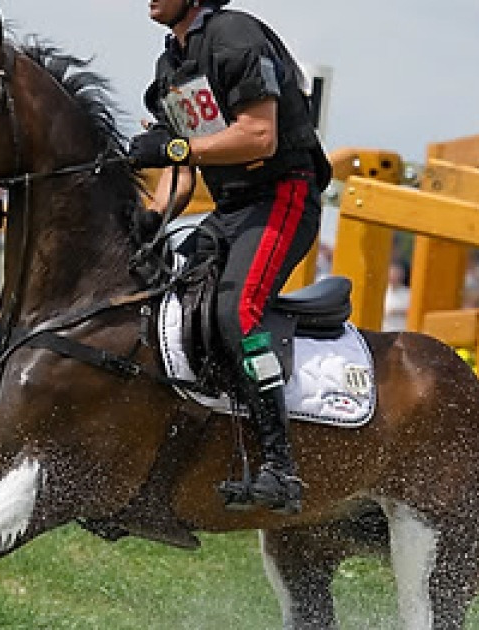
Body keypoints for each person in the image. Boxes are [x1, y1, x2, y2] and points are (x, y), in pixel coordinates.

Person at [131, 0, 331, 515]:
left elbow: (258, 134)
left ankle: (281, 467)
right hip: (230, 209)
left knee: (236, 312)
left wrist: (174, 150)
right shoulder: (170, 63)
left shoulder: (235, 34)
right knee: (167, 304)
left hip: (283, 197)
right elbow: (183, 170)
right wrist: (152, 219)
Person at [382, 258, 411, 332]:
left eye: (397, 274)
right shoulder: (383, 292)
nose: (394, 276)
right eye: (392, 273)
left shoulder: (408, 293)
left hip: (402, 330)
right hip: (384, 330)